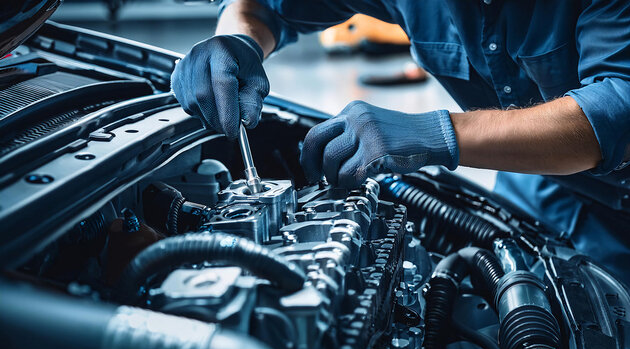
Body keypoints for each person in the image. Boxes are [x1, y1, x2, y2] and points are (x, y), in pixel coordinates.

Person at [170, 0, 630, 283]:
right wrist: (238, 39)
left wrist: (433, 133)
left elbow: (616, 109)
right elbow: (267, 5)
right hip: (550, 190)